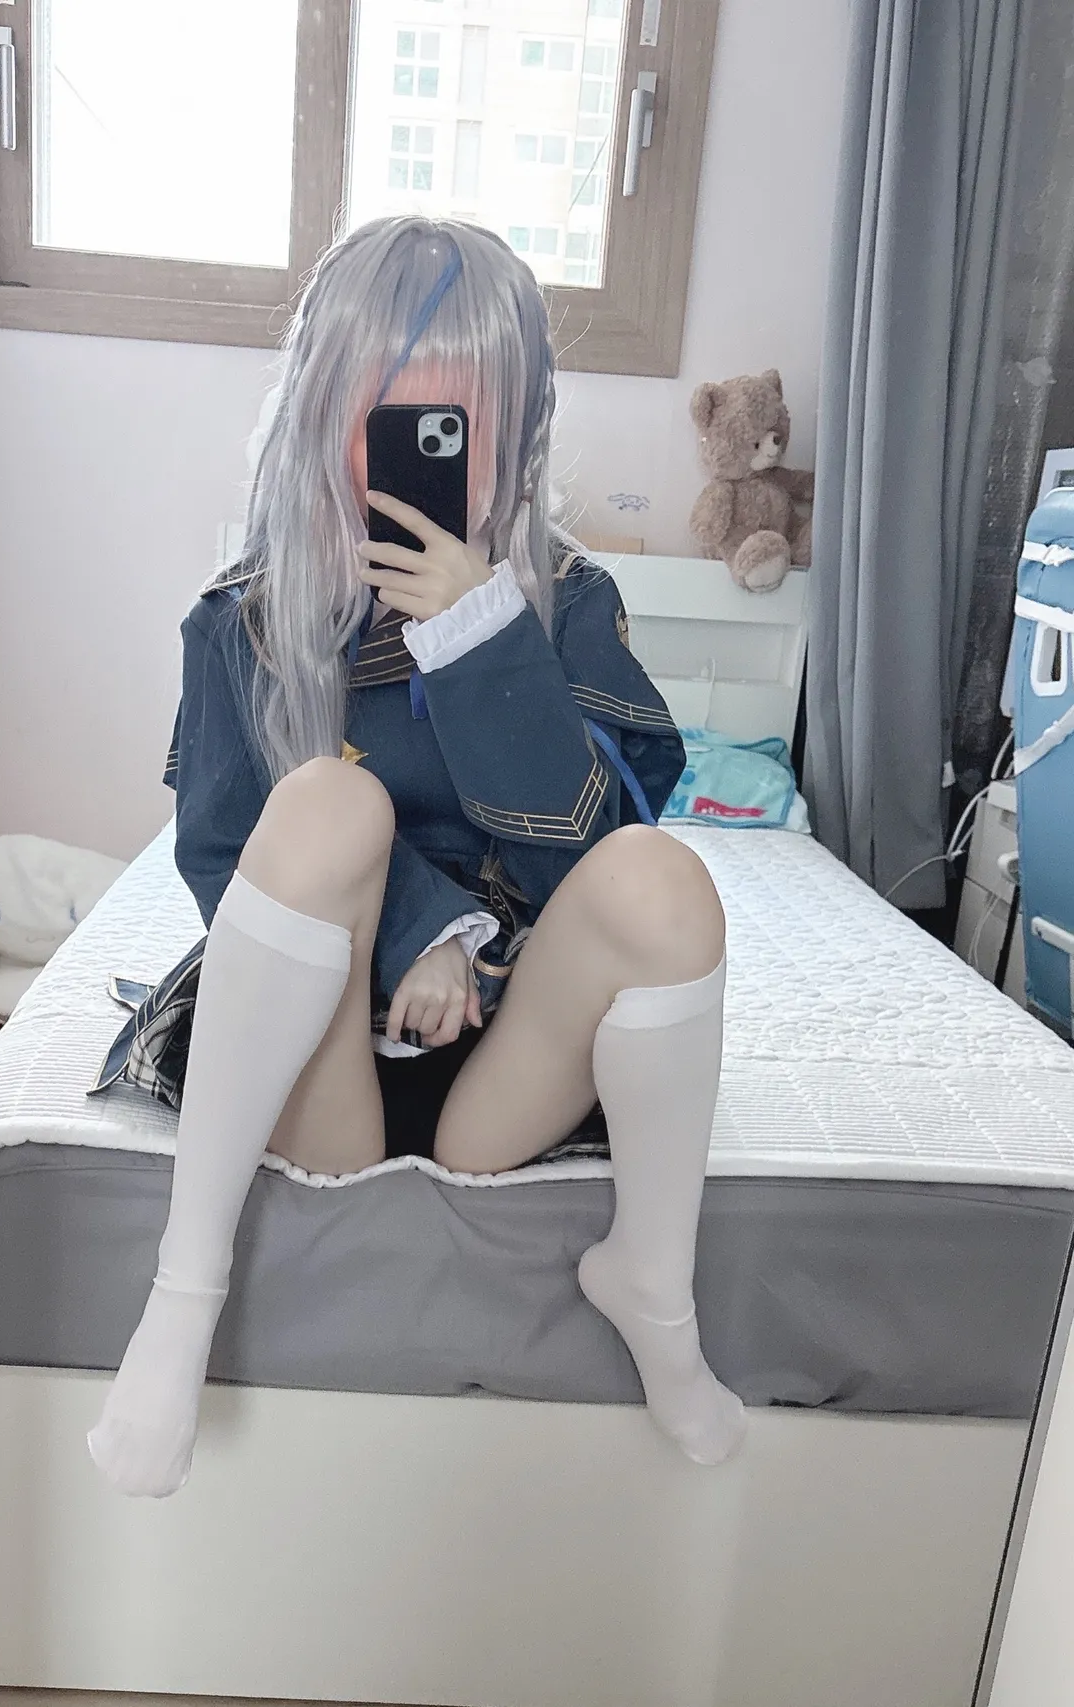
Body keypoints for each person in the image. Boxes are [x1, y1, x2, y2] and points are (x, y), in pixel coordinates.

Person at [87, 216, 744, 1498]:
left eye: (455, 421)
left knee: (667, 879)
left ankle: (649, 1284)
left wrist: (482, 635)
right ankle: (183, 1291)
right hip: (315, 1053)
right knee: (329, 806)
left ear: (515, 431)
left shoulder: (568, 609)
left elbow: (598, 864)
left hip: (509, 1072)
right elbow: (222, 855)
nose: (418, 447)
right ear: (321, 411)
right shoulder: (242, 621)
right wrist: (418, 930)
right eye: (388, 412)